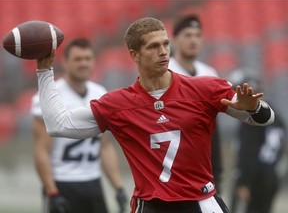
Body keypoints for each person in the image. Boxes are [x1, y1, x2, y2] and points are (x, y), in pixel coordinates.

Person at [35, 17, 274, 213]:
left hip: (201, 201)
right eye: (153, 46)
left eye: (166, 44)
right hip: (151, 206)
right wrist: (44, 70)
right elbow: (58, 125)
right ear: (134, 54)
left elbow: (265, 118)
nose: (163, 52)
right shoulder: (118, 104)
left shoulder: (204, 88)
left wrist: (254, 108)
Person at [31, 38, 127, 213]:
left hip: (93, 182)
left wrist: (118, 187)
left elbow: (104, 146)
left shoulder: (100, 93)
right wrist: (52, 192)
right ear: (65, 62)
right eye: (78, 59)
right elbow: (41, 151)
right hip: (62, 182)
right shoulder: (49, 96)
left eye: (88, 58)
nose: (83, 64)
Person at [169, 14, 222, 192]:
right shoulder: (165, 73)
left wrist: (218, 168)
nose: (193, 40)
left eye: (197, 36)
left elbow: (215, 128)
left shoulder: (209, 73)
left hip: (206, 159)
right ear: (174, 39)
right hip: (174, 157)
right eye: (188, 35)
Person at [230, 77, 286, 213]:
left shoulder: (251, 118)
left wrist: (244, 182)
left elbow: (248, 150)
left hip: (253, 178)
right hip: (271, 175)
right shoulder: (277, 117)